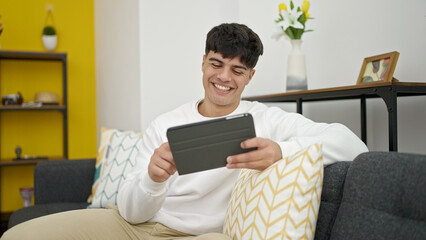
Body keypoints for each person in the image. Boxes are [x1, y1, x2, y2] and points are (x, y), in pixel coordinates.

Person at [2, 23, 368, 240]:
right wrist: (152, 179)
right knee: (17, 236)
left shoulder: (268, 119)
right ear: (203, 62)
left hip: (207, 235)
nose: (224, 77)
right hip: (138, 227)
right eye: (216, 63)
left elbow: (353, 143)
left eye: (237, 71)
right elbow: (131, 212)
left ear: (250, 77)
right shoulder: (166, 123)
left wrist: (281, 151)